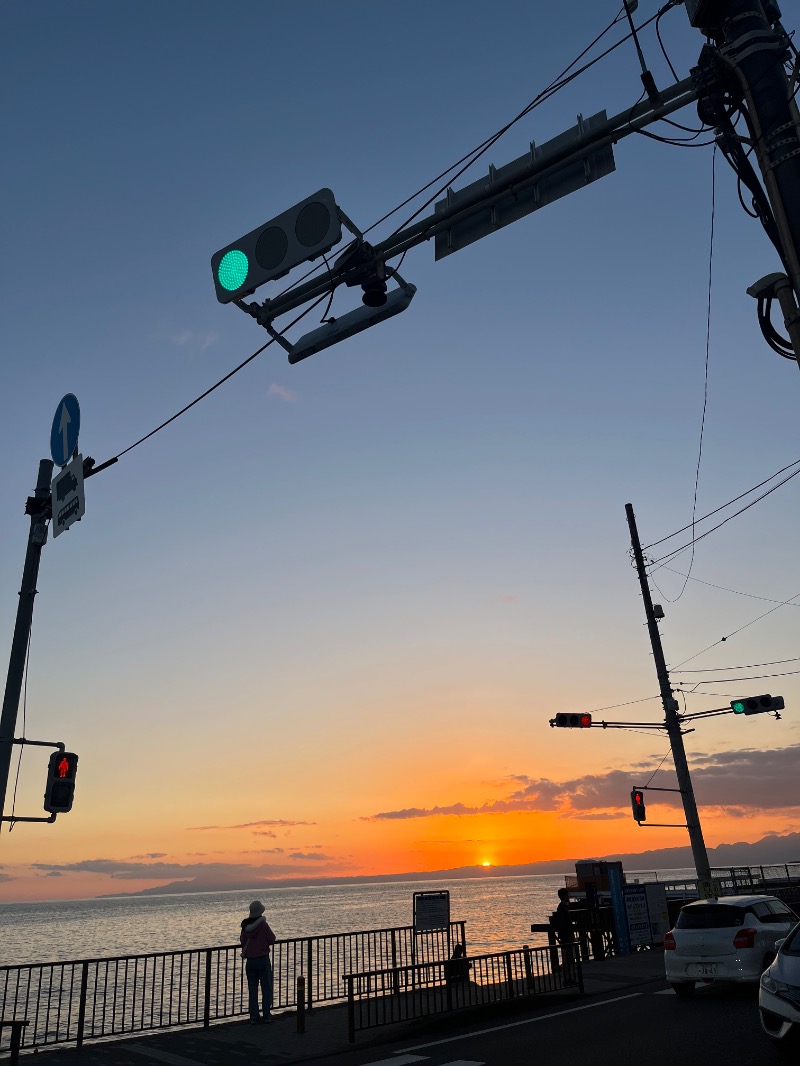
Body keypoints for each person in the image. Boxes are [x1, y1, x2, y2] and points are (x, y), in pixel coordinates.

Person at [240, 900, 277, 1024]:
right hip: (263, 960)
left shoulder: (245, 927)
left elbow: (242, 941)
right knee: (266, 988)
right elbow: (272, 939)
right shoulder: (263, 925)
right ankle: (266, 1015)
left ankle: (254, 1017)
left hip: (250, 962)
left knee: (252, 990)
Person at [553, 887, 577, 985]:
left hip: (565, 935)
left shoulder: (563, 907)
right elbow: (564, 924)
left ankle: (568, 977)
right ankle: (567, 978)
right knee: (567, 958)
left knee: (569, 958)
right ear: (565, 896)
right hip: (565, 936)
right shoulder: (562, 908)